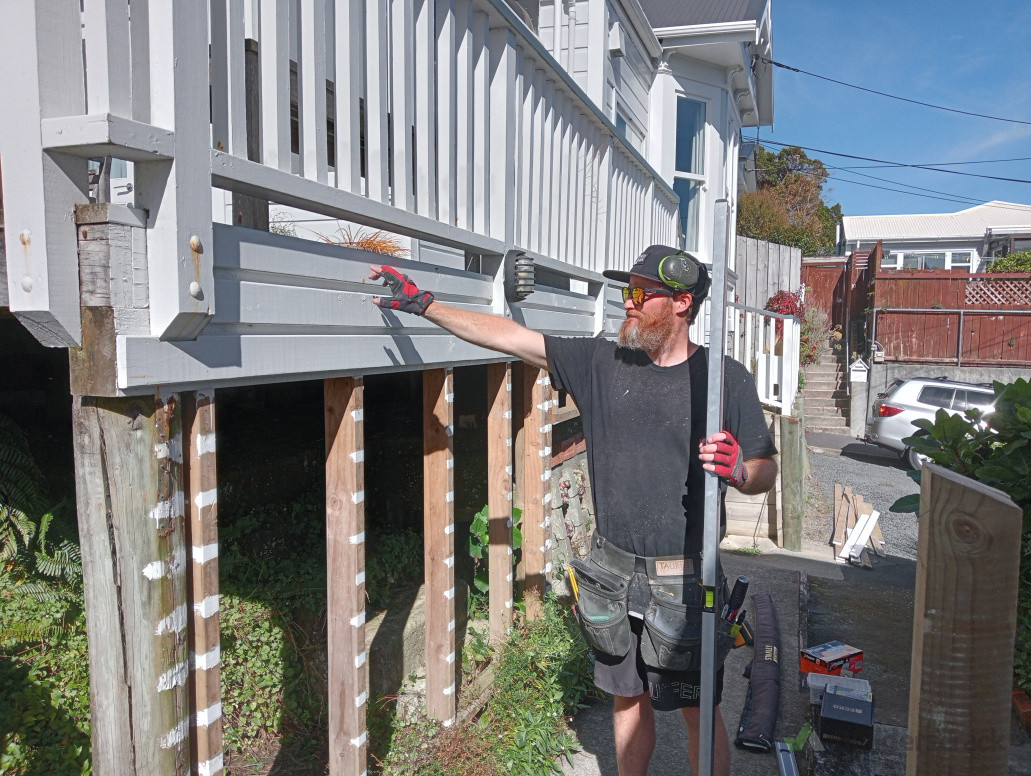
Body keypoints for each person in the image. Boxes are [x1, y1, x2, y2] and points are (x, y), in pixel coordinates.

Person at [368, 245, 778, 776]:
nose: (625, 304)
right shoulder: (601, 363)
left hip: (684, 579)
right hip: (613, 573)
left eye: (637, 293)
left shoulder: (724, 379)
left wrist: (739, 469)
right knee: (627, 699)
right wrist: (425, 304)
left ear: (680, 303)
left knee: (699, 709)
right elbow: (509, 336)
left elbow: (765, 467)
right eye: (623, 291)